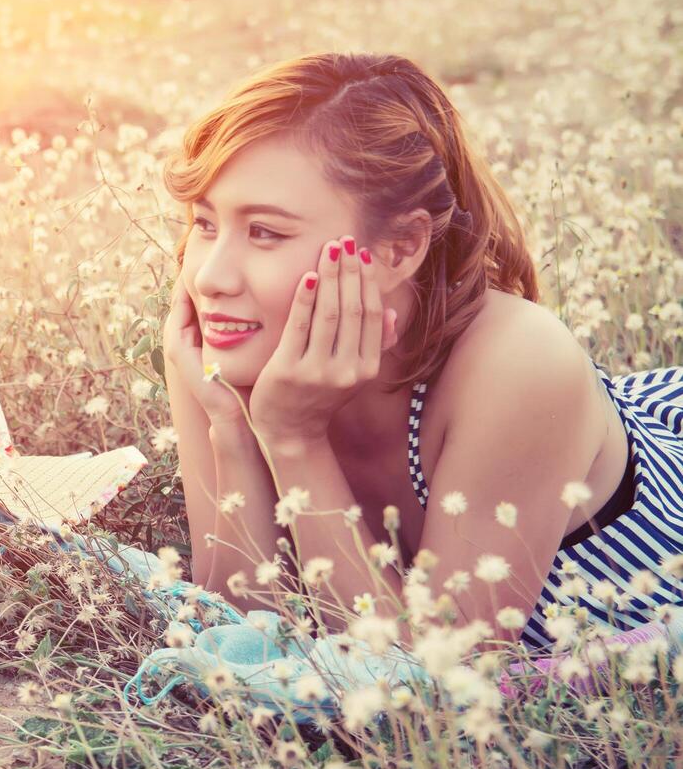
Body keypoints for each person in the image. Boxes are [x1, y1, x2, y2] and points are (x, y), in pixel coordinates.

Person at [154, 51, 683, 654]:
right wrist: (231, 426)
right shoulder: (226, 344)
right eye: (204, 224)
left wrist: (294, 438)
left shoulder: (518, 362)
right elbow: (242, 636)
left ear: (401, 248)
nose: (210, 277)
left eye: (266, 232)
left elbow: (421, 685)